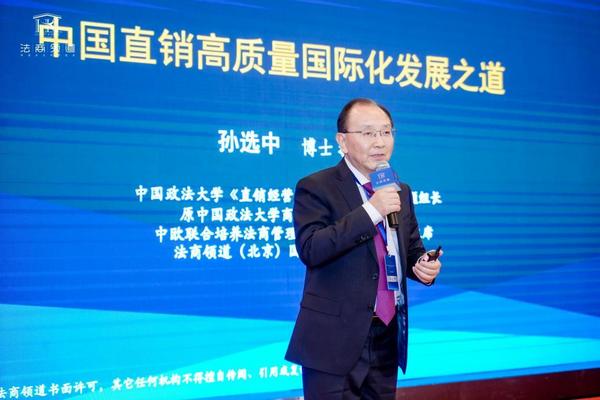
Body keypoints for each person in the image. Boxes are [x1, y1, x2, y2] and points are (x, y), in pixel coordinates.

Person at [285, 98, 442, 399]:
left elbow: (409, 248)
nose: (379, 142)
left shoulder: (399, 190)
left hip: (387, 334)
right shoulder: (316, 186)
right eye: (368, 133)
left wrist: (423, 265)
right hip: (335, 338)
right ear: (342, 141)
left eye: (386, 132)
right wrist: (372, 211)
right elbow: (311, 248)